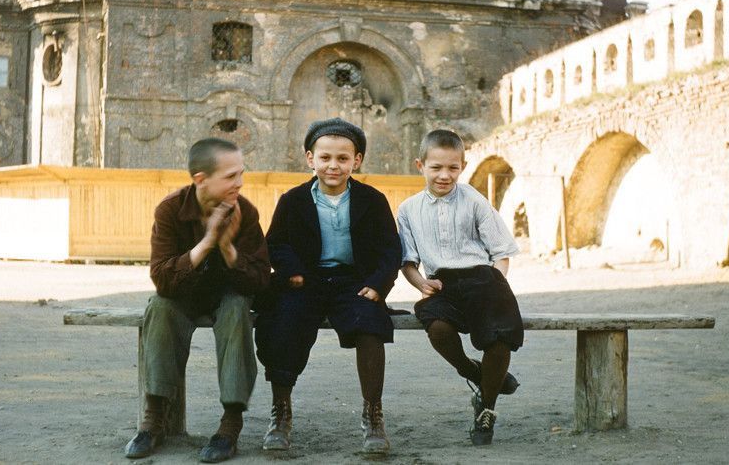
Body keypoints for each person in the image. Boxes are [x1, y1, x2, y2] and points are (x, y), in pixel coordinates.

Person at [254, 117, 402, 454]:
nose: (333, 165)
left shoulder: (372, 199)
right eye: (325, 158)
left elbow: (390, 248)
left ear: (357, 161)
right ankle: (281, 412)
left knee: (369, 324)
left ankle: (373, 414)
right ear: (310, 159)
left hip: (354, 282)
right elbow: (276, 243)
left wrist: (378, 284)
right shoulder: (294, 200)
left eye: (342, 158)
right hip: (306, 281)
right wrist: (292, 271)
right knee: (283, 323)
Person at [124, 138, 270, 463]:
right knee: (159, 308)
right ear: (201, 180)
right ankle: (154, 419)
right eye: (230, 176)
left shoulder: (245, 212)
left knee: (236, 309)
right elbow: (162, 279)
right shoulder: (171, 210)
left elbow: (261, 279)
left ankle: (230, 424)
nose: (240, 183)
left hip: (227, 295)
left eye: (241, 174)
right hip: (183, 296)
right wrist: (206, 243)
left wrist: (230, 249)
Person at [397, 129, 523, 446]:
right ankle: (472, 371)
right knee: (437, 327)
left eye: (452, 168)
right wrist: (421, 284)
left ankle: (486, 410)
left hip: (483, 278)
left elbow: (501, 251)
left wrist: (496, 285)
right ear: (420, 165)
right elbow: (408, 261)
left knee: (499, 338)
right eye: (436, 167)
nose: (444, 175)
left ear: (462, 166)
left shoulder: (473, 199)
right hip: (441, 284)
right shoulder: (408, 209)